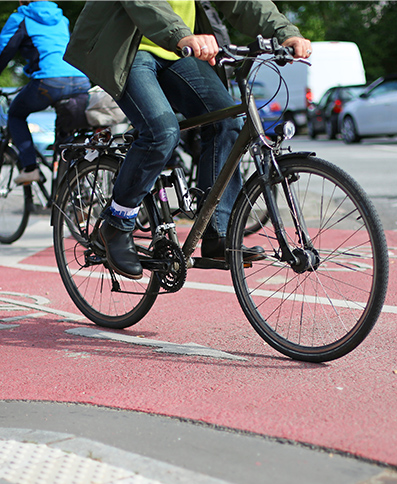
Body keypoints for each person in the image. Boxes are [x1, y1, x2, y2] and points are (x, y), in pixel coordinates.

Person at [64, 1, 311, 280]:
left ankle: (218, 234)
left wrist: (285, 32)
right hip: (128, 50)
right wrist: (181, 33)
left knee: (228, 122)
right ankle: (116, 223)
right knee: (161, 131)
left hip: (178, 51)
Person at [0, 0, 89, 185]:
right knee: (67, 140)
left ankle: (30, 168)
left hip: (50, 82)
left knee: (15, 115)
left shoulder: (21, 18)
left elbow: (1, 53)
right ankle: (73, 192)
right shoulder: (61, 19)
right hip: (81, 81)